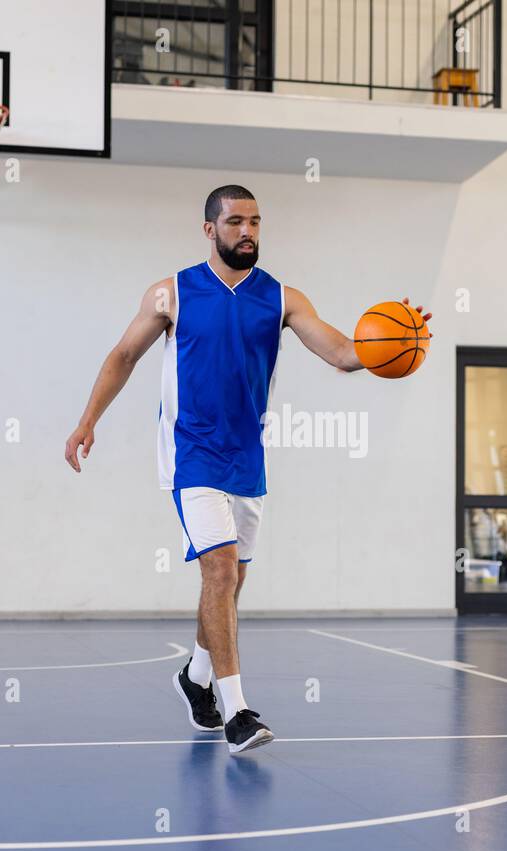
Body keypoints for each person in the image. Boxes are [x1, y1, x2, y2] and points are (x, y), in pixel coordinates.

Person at [65, 184, 429, 754]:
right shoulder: (172, 293)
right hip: (191, 454)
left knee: (231, 582)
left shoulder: (283, 299)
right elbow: (123, 356)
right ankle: (238, 713)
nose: (248, 231)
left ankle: (196, 676)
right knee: (219, 572)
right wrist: (88, 420)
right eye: (235, 222)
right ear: (209, 229)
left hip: (247, 457)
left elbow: (340, 353)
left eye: (255, 221)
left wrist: (394, 339)